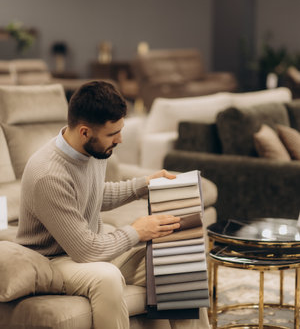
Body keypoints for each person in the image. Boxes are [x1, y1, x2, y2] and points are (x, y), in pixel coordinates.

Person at [16, 80, 210, 329]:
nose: (119, 140)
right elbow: (86, 250)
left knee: (178, 259)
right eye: (112, 134)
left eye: (120, 130)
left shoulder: (94, 150)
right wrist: (137, 231)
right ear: (85, 131)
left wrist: (144, 185)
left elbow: (94, 195)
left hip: (88, 248)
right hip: (54, 259)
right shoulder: (49, 174)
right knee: (106, 278)